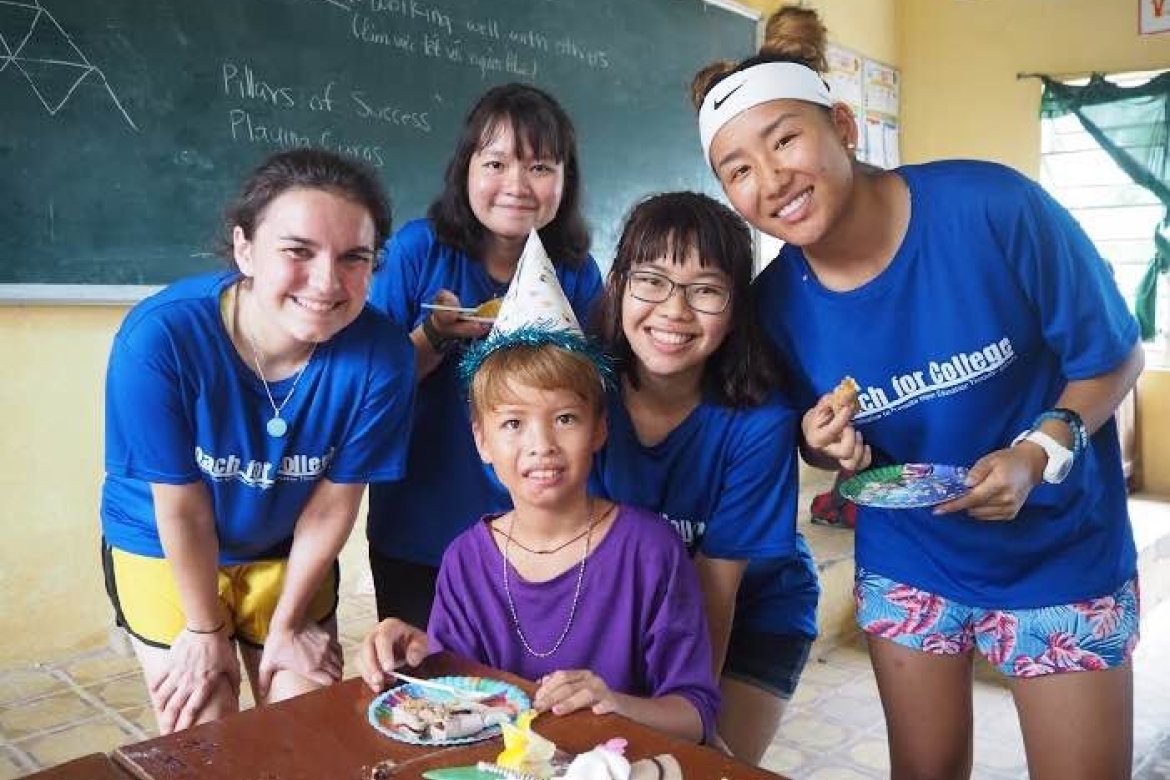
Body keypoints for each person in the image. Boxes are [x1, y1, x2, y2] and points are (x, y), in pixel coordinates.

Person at [691, 6, 1145, 780]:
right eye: (738, 169)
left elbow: (1114, 354)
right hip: (910, 561)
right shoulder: (774, 306)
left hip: (1059, 552)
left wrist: (1039, 451)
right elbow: (812, 431)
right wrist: (822, 438)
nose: (771, 181)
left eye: (786, 140)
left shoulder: (992, 209)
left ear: (842, 124)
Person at [100, 149, 415, 734]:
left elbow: (333, 503)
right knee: (206, 722)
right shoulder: (160, 339)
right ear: (245, 248)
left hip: (285, 552)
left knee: (304, 723)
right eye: (297, 251)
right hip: (165, 545)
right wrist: (202, 631)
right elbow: (182, 506)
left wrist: (289, 624)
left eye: (354, 258)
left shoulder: (383, 357)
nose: (326, 282)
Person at [359, 236, 720, 744]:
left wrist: (615, 704)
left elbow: (695, 714)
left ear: (599, 429)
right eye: (512, 423)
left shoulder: (649, 551)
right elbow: (458, 701)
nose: (542, 445)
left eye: (566, 418)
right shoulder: (467, 561)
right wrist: (417, 653)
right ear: (480, 440)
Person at [590, 192, 818, 763]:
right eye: (652, 280)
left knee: (704, 766)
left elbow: (718, 588)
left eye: (706, 290)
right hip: (632, 609)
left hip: (755, 610)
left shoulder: (759, 423)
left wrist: (695, 713)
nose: (674, 310)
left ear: (736, 307)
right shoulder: (579, 393)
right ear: (618, 285)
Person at [366, 83, 602, 629]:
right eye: (496, 162)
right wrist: (436, 334)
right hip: (418, 518)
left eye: (540, 167)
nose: (517, 185)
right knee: (428, 685)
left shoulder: (575, 272)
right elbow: (373, 388)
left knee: (523, 681)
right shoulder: (418, 250)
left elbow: (593, 392)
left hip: (538, 524)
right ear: (465, 169)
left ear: (565, 181)